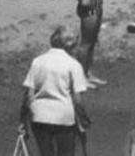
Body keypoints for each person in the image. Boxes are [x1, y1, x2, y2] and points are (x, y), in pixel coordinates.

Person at [19, 25, 90, 156]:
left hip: (39, 115)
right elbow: (77, 100)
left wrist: (22, 120)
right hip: (63, 117)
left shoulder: (38, 62)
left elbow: (28, 95)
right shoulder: (73, 65)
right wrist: (84, 119)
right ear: (71, 45)